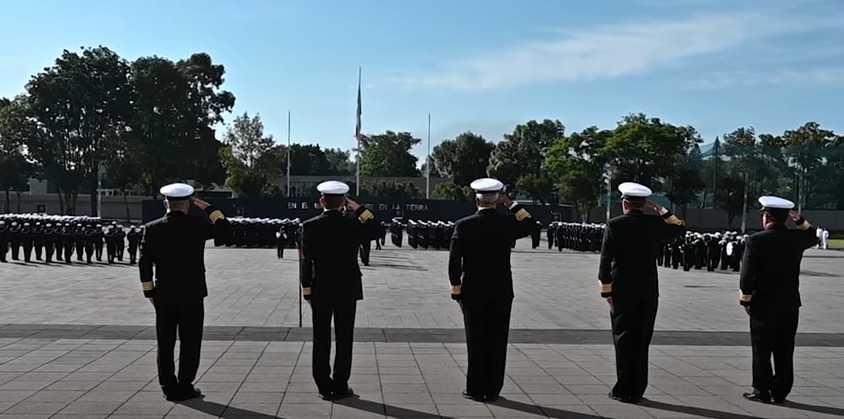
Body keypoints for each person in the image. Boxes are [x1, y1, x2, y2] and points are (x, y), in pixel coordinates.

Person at [139, 183, 232, 402]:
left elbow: (144, 265)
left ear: (165, 203)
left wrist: (149, 293)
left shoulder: (152, 228)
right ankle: (185, 384)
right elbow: (226, 231)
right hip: (192, 293)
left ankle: (168, 387)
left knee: (165, 342)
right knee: (191, 341)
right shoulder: (197, 225)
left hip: (164, 294)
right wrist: (208, 208)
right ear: (189, 205)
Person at [448, 178, 536, 402]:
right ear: (498, 200)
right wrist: (513, 205)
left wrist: (457, 292)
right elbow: (530, 225)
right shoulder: (506, 224)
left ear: (475, 199)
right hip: (501, 290)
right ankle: (493, 388)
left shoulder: (464, 225)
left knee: (475, 341)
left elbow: (454, 263)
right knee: (497, 340)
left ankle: (475, 388)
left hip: (473, 291)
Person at [599, 182, 686, 404]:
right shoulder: (655, 224)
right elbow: (679, 228)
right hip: (648, 289)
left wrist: (606, 291)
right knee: (641, 339)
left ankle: (623, 388)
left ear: (624, 204)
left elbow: (605, 260)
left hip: (622, 289)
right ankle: (638, 389)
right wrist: (660, 209)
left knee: (623, 338)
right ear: (644, 204)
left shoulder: (615, 225)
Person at [300, 181, 381, 400]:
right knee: (345, 338)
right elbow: (376, 228)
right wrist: (359, 208)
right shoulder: (353, 225)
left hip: (321, 288)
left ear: (321, 201)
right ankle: (341, 383)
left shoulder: (309, 226)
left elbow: (306, 262)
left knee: (321, 337)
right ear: (343, 202)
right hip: (347, 288)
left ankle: (323, 385)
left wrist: (306, 289)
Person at [740, 196, 818, 404]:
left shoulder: (755, 240)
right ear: (786, 218)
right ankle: (781, 390)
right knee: (784, 348)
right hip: (790, 304)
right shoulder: (796, 239)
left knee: (761, 348)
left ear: (766, 218)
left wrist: (746, 298)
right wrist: (800, 221)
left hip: (763, 304)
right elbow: (814, 236)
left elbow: (747, 275)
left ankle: (762, 390)